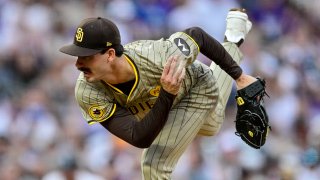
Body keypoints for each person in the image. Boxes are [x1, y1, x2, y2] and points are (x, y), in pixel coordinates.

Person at [59, 8, 255, 180]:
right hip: (166, 100)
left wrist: (240, 77)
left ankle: (232, 41)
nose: (77, 64)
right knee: (210, 128)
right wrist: (167, 94)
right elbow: (138, 137)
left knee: (154, 163)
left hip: (196, 87)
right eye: (77, 56)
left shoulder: (155, 56)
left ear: (110, 54)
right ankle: (233, 39)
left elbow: (197, 35)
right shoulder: (87, 90)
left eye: (86, 57)